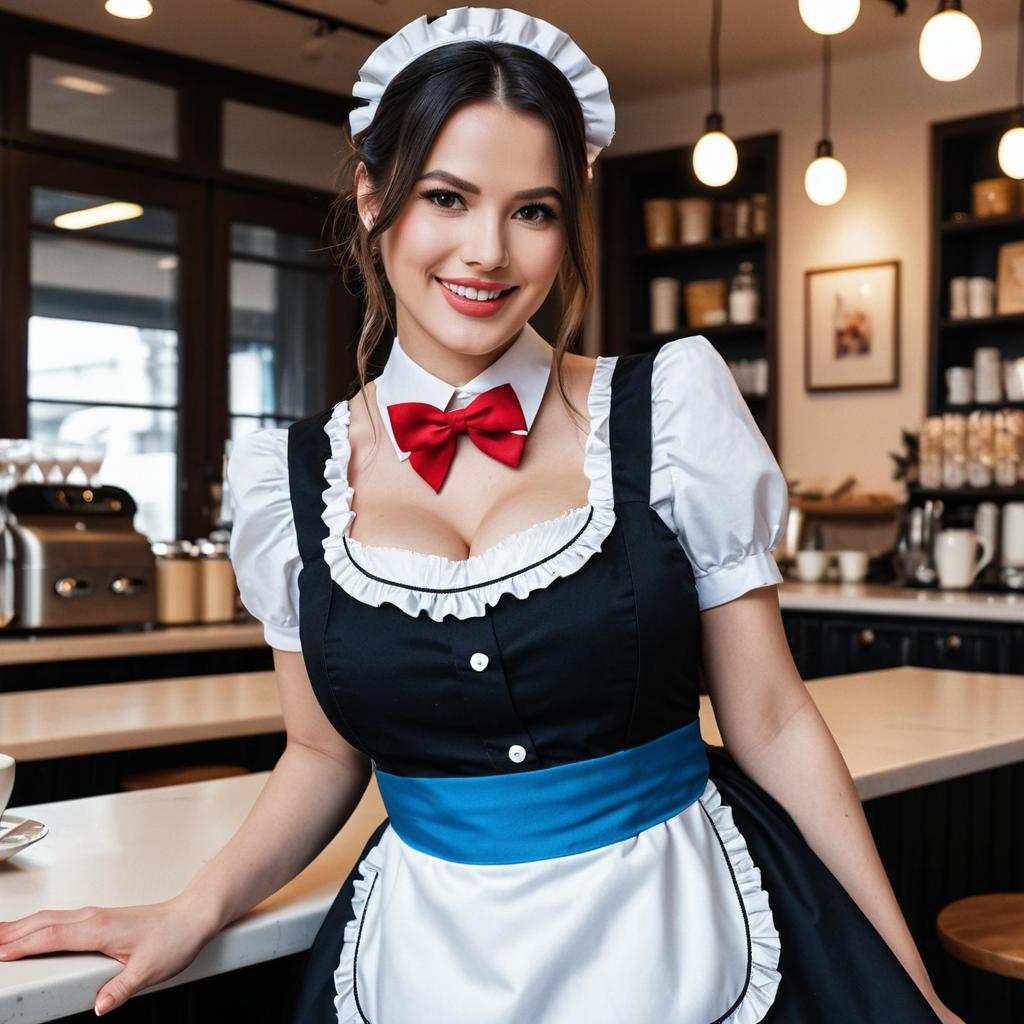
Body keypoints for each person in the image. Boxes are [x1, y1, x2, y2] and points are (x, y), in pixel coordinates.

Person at [0, 7, 965, 1022]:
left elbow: (769, 717)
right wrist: (188, 907)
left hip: (681, 923)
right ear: (375, 198)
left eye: (533, 210)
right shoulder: (285, 480)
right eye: (446, 197)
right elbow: (324, 753)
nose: (488, 251)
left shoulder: (669, 412)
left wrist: (907, 981)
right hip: (428, 951)